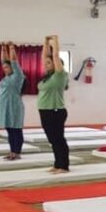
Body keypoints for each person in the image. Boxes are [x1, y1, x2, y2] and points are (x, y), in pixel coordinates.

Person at [37, 35, 70, 173]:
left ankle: (63, 166)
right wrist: (45, 42)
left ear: (58, 65)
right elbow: (45, 57)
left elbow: (55, 56)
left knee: (58, 139)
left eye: (50, 63)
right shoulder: (47, 77)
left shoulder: (60, 76)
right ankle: (57, 164)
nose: (46, 64)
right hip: (45, 111)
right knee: (53, 140)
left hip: (55, 111)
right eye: (47, 63)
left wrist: (55, 41)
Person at [0, 42, 26, 160]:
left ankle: (17, 152)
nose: (5, 69)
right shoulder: (6, 78)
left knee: (16, 129)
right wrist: (3, 49)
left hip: (14, 107)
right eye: (3, 67)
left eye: (7, 67)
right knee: (9, 130)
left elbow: (14, 61)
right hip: (4, 107)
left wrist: (11, 48)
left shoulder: (17, 76)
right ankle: (12, 151)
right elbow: (3, 60)